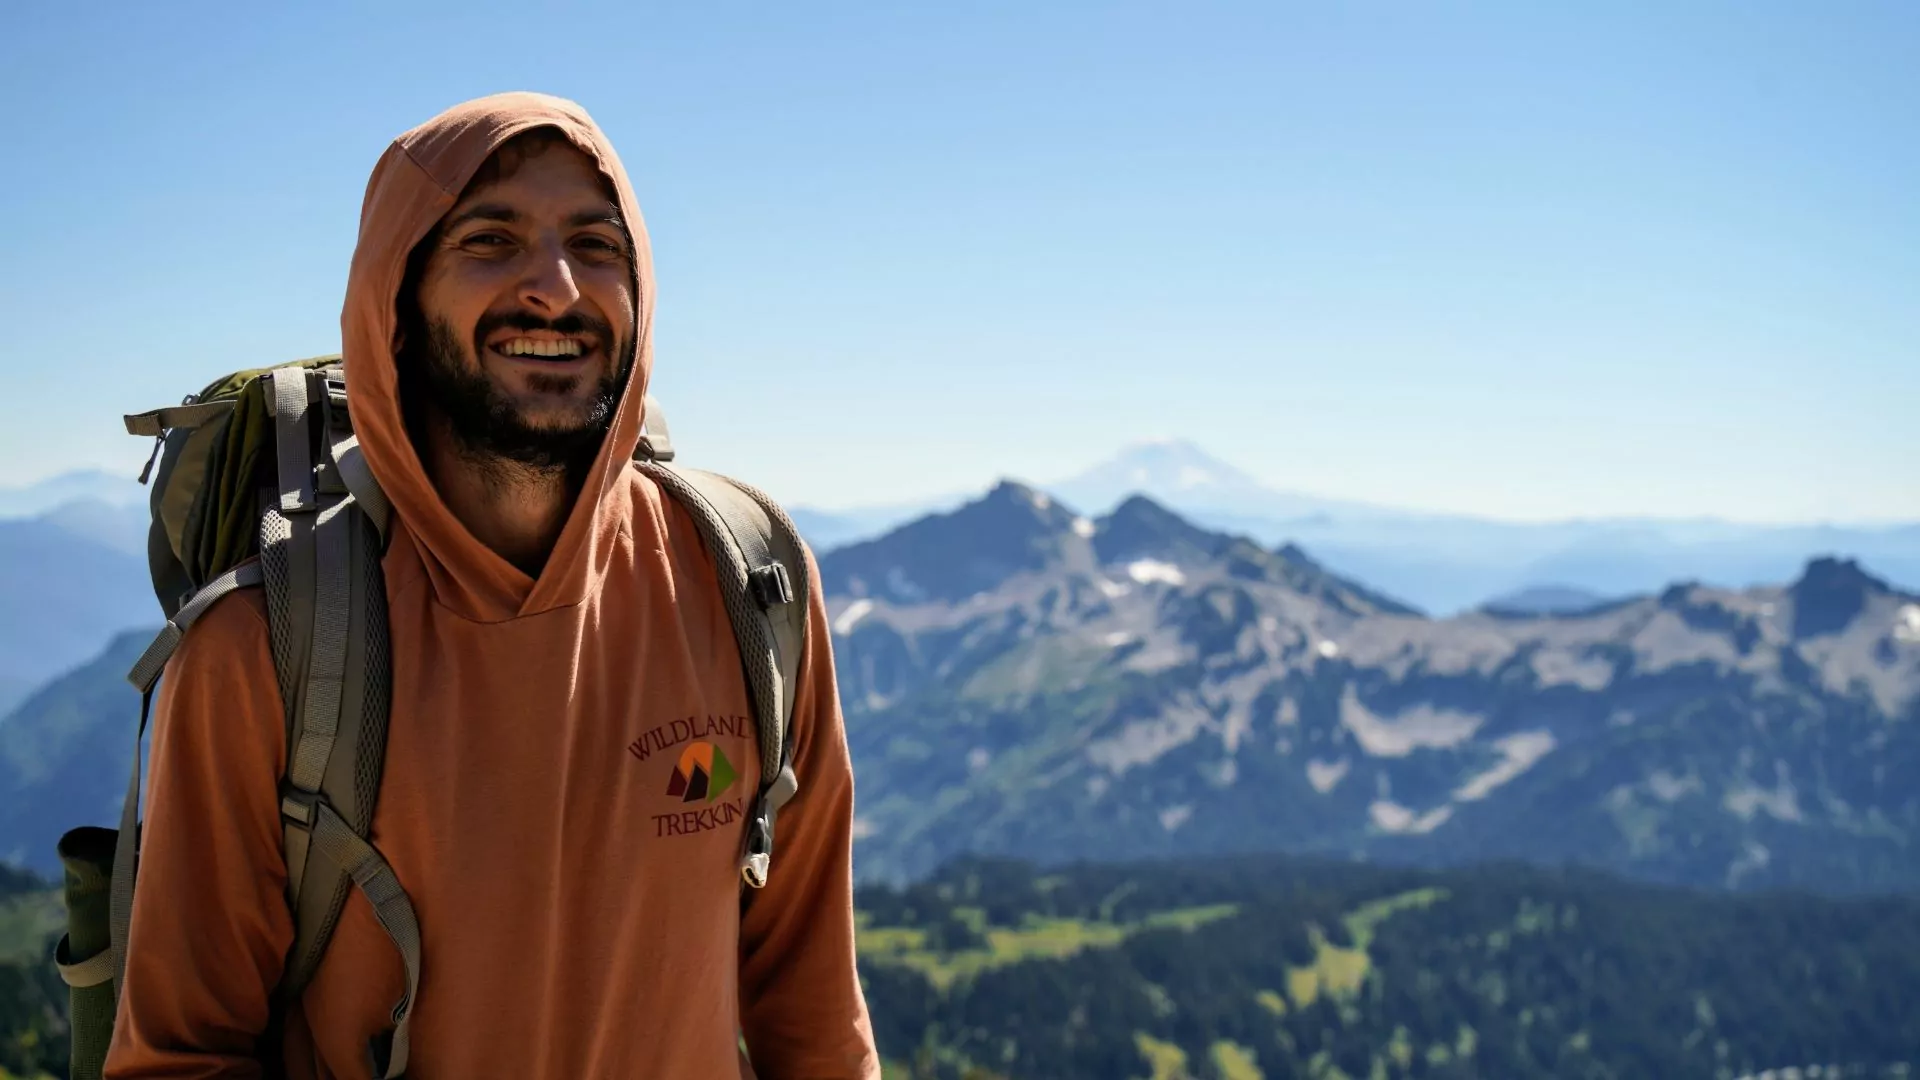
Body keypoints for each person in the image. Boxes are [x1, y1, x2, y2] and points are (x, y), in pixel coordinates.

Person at [104, 92, 880, 1079]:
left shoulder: (750, 577)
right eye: (490, 239)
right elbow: (179, 1056)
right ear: (399, 295)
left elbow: (812, 1014)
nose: (554, 287)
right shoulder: (269, 645)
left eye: (598, 246)